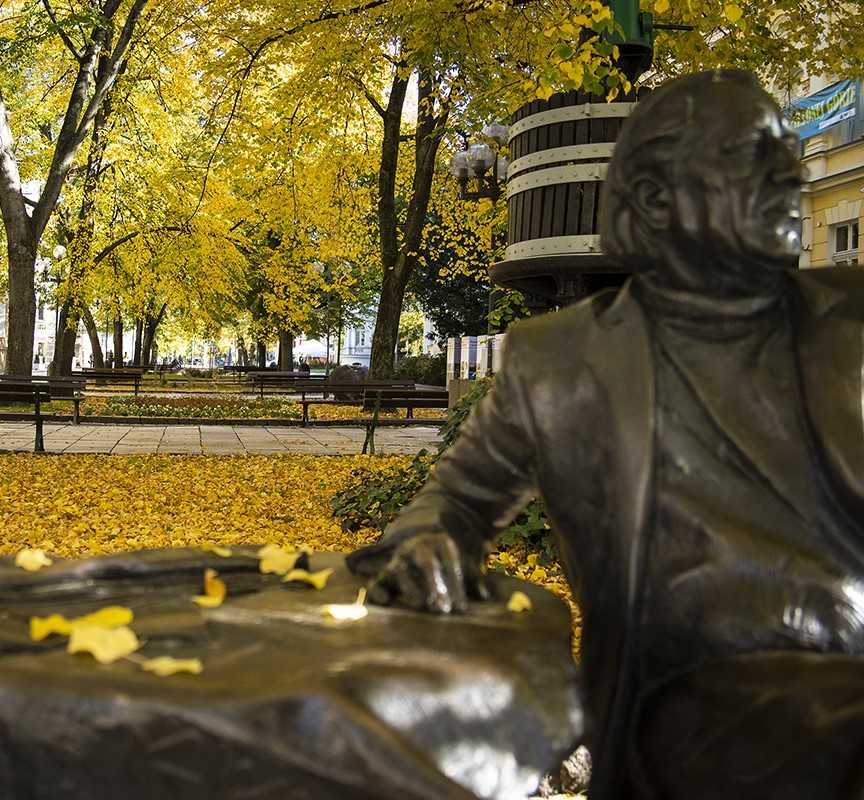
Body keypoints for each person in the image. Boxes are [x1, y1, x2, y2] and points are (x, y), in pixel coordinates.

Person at [347, 70, 864, 799]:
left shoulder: (854, 326)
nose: (792, 169)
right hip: (671, 734)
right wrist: (424, 545)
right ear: (656, 198)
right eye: (753, 155)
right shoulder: (557, 363)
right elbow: (452, 505)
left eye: (789, 150)